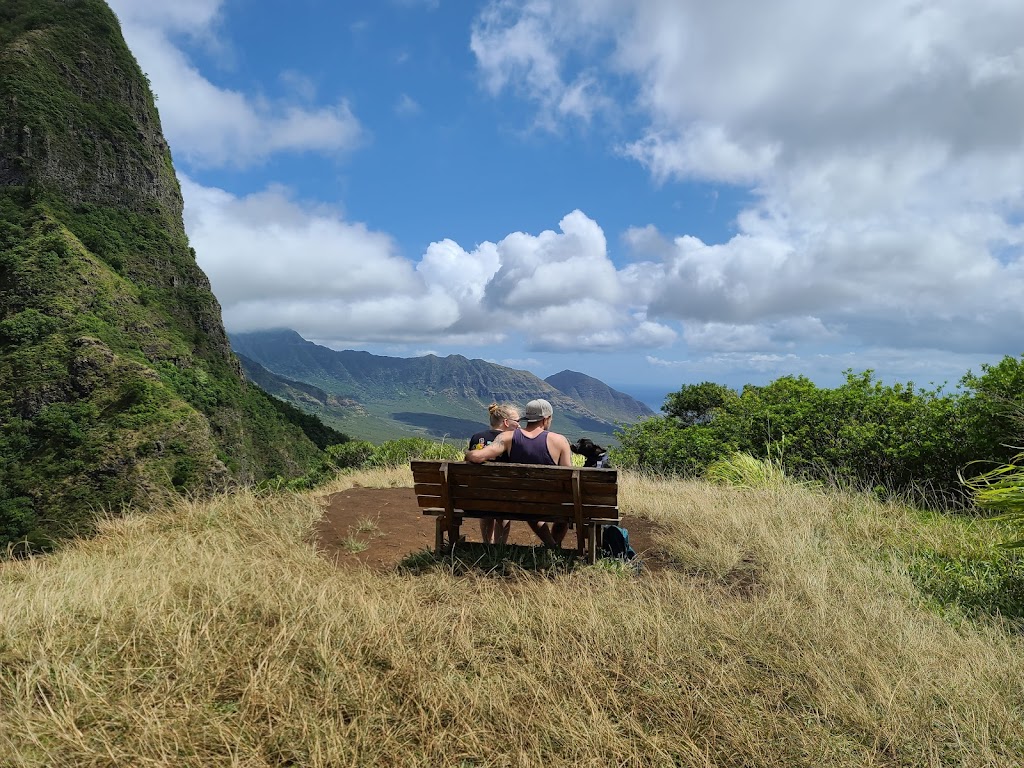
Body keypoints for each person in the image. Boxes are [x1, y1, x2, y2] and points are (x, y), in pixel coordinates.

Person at [465, 398, 573, 547]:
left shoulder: (506, 437)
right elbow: (568, 477)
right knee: (564, 507)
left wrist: (468, 453)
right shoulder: (560, 441)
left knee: (529, 505)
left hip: (518, 501)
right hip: (548, 503)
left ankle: (551, 545)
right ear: (546, 419)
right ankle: (553, 545)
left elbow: (477, 456)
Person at [467, 402, 520, 544]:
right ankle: (499, 546)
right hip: (504, 496)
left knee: (486, 505)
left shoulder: (476, 437)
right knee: (503, 509)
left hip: (477, 496)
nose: (519, 425)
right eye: (517, 421)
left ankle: (486, 543)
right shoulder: (513, 440)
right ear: (506, 423)